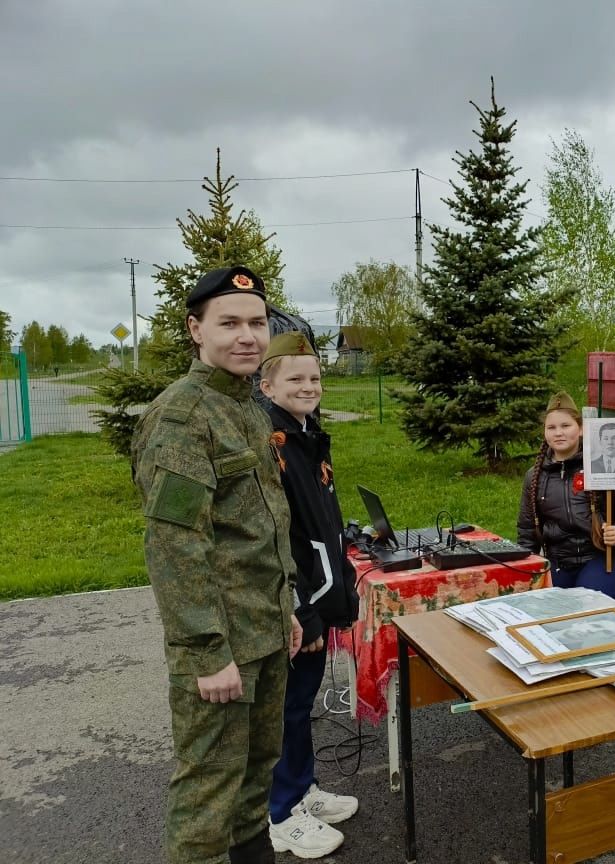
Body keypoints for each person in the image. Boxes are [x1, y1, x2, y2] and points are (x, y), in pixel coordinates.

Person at [131, 266, 303, 864]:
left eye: (256, 323)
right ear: (195, 330)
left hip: (263, 631)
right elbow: (176, 547)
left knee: (255, 782)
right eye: (228, 323)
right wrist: (208, 652)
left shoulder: (247, 406)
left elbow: (258, 527)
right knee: (208, 796)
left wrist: (286, 610)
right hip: (221, 645)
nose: (247, 336)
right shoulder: (182, 418)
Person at [259, 332, 361, 859]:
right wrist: (304, 610)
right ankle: (280, 813)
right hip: (296, 604)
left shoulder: (307, 433)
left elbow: (323, 521)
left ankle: (303, 790)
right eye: (295, 378)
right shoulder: (269, 443)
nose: (308, 386)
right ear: (268, 383)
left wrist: (341, 584)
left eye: (314, 377)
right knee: (286, 709)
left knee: (301, 705)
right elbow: (282, 538)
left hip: (319, 593)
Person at [517, 392, 615, 602]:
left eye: (566, 426)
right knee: (546, 614)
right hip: (558, 562)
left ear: (581, 429)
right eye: (552, 427)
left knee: (588, 608)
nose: (559, 433)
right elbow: (527, 530)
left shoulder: (603, 466)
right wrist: (526, 571)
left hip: (602, 558)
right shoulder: (535, 476)